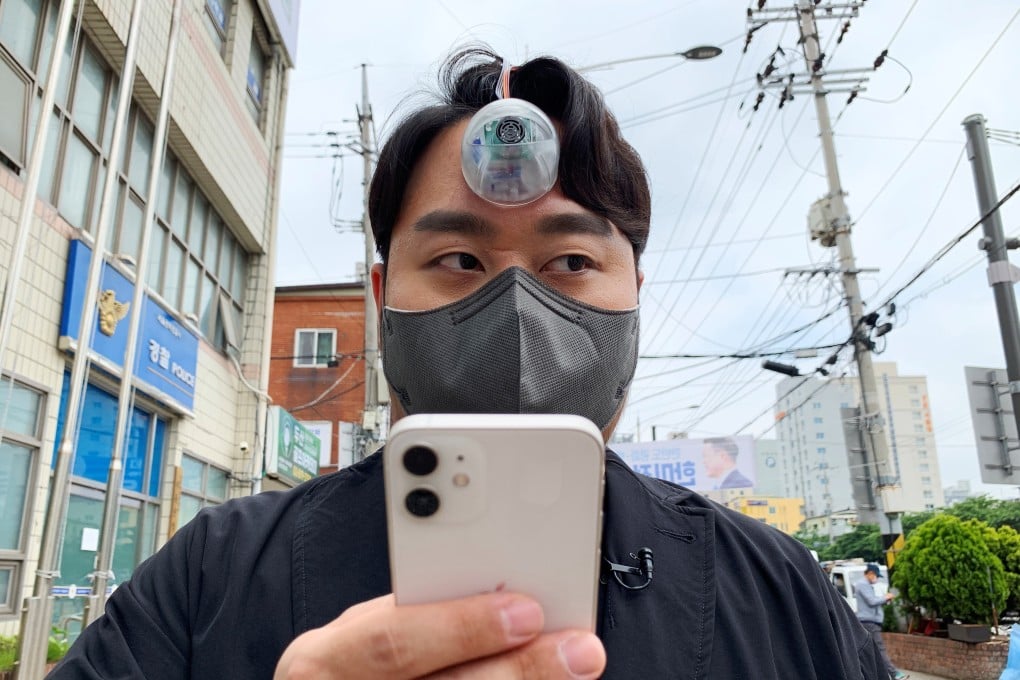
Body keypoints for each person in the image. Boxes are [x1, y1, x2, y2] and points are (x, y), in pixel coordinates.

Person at [48, 47, 890, 679]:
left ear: (637, 293)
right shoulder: (210, 578)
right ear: (382, 296)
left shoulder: (781, 592)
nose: (518, 319)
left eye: (570, 265)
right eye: (457, 259)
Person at [854, 563, 907, 680]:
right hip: (869, 622)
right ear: (870, 574)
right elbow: (872, 601)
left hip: (871, 621)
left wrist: (884, 599)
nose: (876, 579)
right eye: (875, 576)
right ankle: (894, 673)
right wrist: (886, 597)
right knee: (879, 648)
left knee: (872, 649)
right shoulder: (862, 584)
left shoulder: (867, 585)